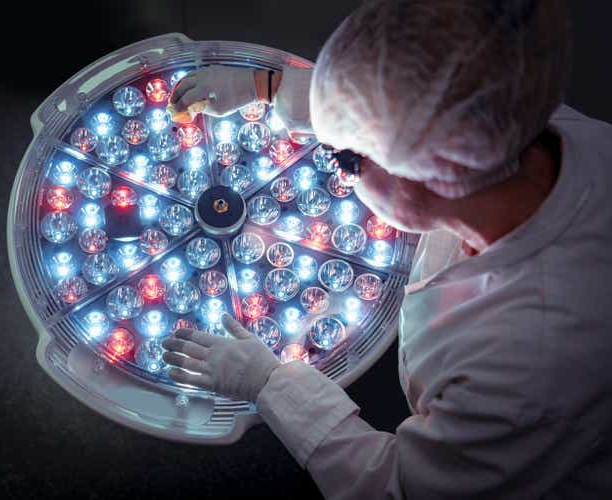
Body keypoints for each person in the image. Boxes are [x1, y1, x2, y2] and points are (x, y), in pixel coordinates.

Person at [162, 1, 612, 498]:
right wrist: (266, 87)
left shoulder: (527, 372)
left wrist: (270, 384)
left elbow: (398, 486)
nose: (335, 171)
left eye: (348, 163)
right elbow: (415, 95)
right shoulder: (510, 114)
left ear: (434, 175)